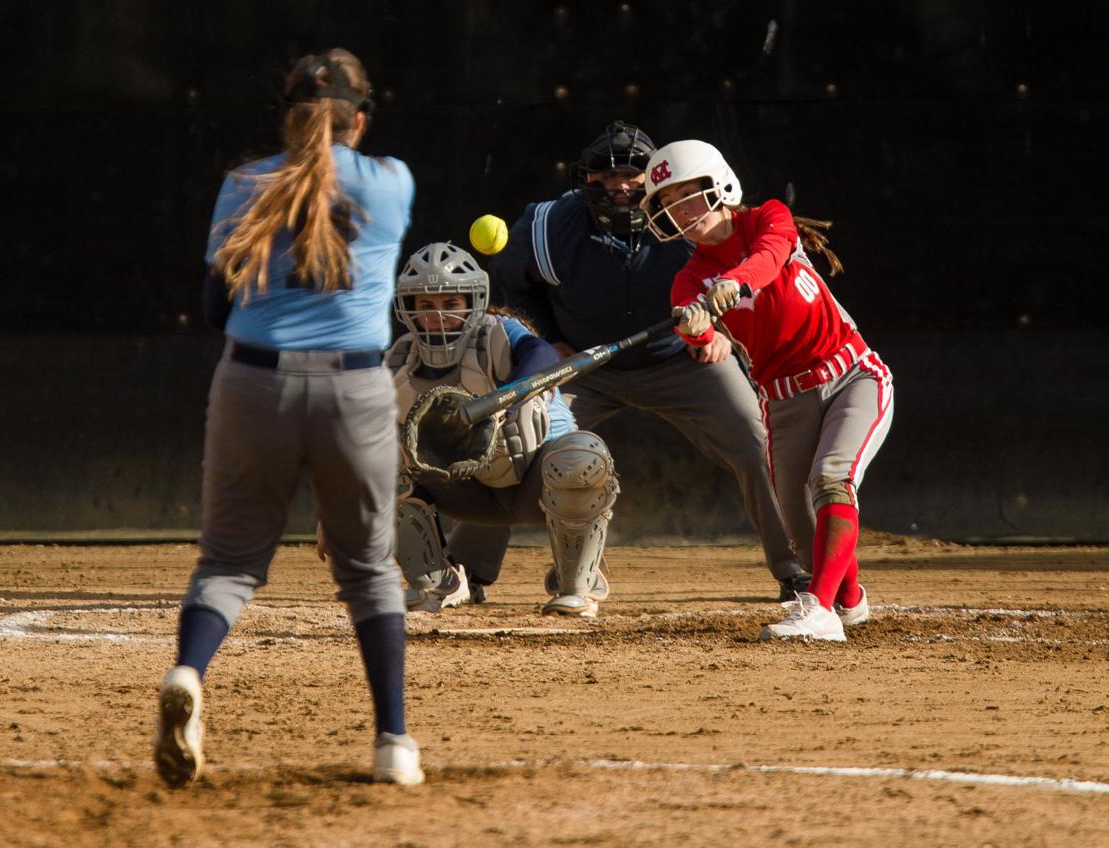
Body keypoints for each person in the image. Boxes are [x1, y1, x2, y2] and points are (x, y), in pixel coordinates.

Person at [153, 49, 424, 788]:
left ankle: (188, 672)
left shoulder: (245, 184)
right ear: (358, 119)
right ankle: (393, 743)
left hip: (253, 385)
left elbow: (215, 309)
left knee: (230, 564)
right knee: (369, 570)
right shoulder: (392, 181)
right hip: (355, 388)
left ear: (289, 115)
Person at [476, 121, 808, 600]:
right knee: (516, 438)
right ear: (584, 182)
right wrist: (551, 340)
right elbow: (513, 282)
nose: (620, 188)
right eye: (606, 179)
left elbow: (737, 283)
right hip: (586, 366)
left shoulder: (690, 221)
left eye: (633, 177)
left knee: (755, 439)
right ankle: (467, 571)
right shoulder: (548, 226)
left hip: (682, 360)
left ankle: (795, 567)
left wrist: (718, 336)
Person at [642, 139, 894, 641]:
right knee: (800, 533)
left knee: (831, 479)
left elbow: (770, 255)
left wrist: (732, 283)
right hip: (782, 402)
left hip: (851, 375)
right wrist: (694, 326)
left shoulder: (765, 218)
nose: (682, 212)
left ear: (720, 186)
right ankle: (846, 598)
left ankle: (818, 609)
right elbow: (702, 338)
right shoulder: (687, 281)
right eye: (669, 205)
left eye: (688, 196)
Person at [387, 241, 618, 617]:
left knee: (582, 456)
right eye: (426, 306)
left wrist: (508, 395)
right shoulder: (400, 359)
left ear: (473, 303)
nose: (440, 316)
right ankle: (436, 581)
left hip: (536, 481)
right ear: (408, 309)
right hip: (467, 491)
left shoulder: (499, 332)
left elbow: (541, 354)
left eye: (451, 304)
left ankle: (576, 585)